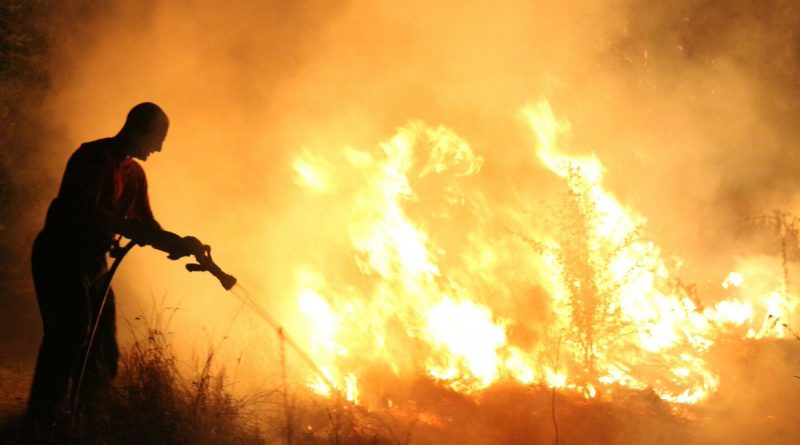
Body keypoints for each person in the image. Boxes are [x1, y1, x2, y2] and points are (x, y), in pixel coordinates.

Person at [26, 102, 205, 428]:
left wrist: (180, 243)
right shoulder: (92, 157)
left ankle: (87, 420)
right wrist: (128, 228)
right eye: (157, 139)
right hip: (60, 254)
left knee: (103, 347)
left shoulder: (135, 174)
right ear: (138, 129)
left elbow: (146, 227)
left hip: (93, 263)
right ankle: (40, 423)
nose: (159, 148)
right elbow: (85, 210)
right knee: (69, 334)